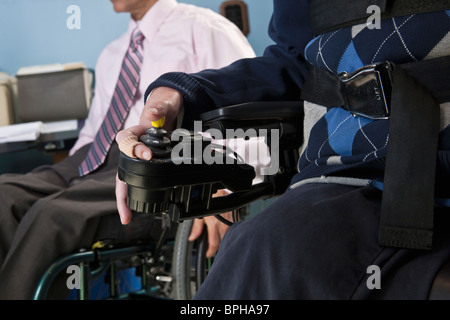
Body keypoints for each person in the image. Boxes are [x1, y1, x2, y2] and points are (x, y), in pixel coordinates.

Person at [116, 0, 450, 299]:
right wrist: (181, 93)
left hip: (433, 166)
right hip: (342, 171)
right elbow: (294, 60)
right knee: (261, 246)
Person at [0, 0, 255, 299]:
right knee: (4, 196)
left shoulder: (205, 29)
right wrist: (68, 176)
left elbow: (245, 122)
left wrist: (220, 189)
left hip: (158, 166)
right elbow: (94, 131)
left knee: (52, 216)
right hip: (92, 158)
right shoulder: (112, 53)